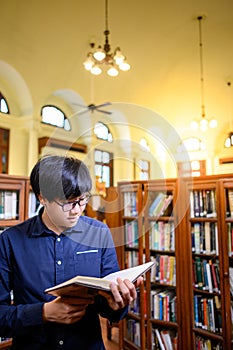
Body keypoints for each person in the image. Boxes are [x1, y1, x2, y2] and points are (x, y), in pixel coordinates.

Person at [0, 155, 143, 350]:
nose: (77, 210)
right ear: (42, 197)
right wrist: (42, 313)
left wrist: (117, 304)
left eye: (83, 200)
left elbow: (109, 308)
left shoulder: (99, 233)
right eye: (68, 202)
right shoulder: (10, 241)